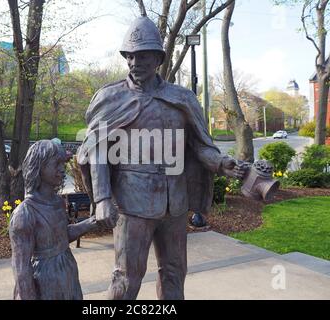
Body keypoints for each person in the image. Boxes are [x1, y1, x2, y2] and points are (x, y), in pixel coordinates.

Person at [77, 16, 246, 300]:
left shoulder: (182, 99)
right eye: (129, 56)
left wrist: (220, 162)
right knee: (126, 278)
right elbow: (97, 149)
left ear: (158, 58)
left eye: (141, 55)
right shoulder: (111, 98)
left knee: (174, 271)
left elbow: (198, 146)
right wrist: (103, 198)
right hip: (132, 205)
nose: (133, 62)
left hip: (174, 204)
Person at [9, 140, 98, 300]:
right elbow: (21, 268)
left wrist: (93, 222)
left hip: (68, 273)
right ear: (38, 167)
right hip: (45, 281)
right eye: (56, 164)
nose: (62, 170)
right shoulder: (24, 214)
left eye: (63, 164)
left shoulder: (57, 202)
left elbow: (62, 235)